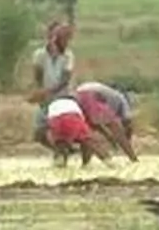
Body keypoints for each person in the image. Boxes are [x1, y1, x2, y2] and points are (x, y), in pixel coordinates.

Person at [27, 22, 76, 159]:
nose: (65, 42)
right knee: (39, 134)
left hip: (63, 98)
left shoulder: (68, 56)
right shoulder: (39, 55)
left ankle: (62, 155)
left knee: (60, 132)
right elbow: (38, 76)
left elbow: (64, 81)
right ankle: (60, 152)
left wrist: (46, 92)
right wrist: (38, 93)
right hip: (47, 98)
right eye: (62, 38)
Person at [44, 95, 115, 168]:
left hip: (56, 120)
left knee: (61, 144)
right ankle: (104, 160)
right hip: (73, 117)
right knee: (88, 141)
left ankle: (60, 160)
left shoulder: (52, 105)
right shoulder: (76, 105)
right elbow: (91, 121)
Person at [73, 88, 139, 163]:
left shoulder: (110, 97)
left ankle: (85, 162)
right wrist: (121, 138)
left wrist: (108, 136)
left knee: (86, 133)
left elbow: (96, 122)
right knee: (117, 130)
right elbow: (126, 121)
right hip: (90, 95)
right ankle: (133, 158)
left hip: (78, 97)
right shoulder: (121, 100)